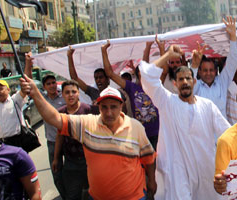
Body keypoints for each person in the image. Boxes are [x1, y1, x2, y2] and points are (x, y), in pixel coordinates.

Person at [20, 76, 157, 200]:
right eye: (104, 107)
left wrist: (151, 180)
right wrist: (35, 94)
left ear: (121, 106)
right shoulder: (88, 124)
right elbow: (54, 118)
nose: (109, 112)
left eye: (113, 107)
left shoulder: (136, 127)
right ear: (98, 106)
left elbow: (148, 158)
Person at [139, 31, 232, 199]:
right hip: (178, 171)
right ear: (174, 84)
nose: (185, 82)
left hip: (206, 169)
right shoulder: (167, 102)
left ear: (194, 81)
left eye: (188, 79)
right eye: (180, 80)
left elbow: (228, 135)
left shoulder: (207, 106)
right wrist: (168, 54)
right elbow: (147, 77)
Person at [101, 40, 160, 149]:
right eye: (142, 74)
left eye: (147, 74)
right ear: (138, 75)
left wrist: (148, 47)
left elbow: (148, 66)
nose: (145, 77)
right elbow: (109, 73)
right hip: (139, 135)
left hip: (158, 135)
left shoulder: (156, 87)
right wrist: (104, 51)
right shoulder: (131, 88)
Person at [24, 54, 67, 198]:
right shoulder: (41, 99)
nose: (52, 85)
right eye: (48, 84)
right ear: (44, 87)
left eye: (54, 82)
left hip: (68, 139)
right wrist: (28, 64)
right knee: (57, 172)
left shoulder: (66, 96)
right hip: (52, 142)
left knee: (73, 170)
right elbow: (27, 83)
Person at [191, 16, 237, 118]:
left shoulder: (222, 82)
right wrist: (194, 66)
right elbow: (189, 81)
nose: (208, 73)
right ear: (199, 72)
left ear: (216, 71)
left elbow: (233, 61)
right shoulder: (196, 86)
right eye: (205, 70)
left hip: (222, 132)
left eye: (211, 70)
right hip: (203, 132)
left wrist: (233, 37)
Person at [52, 80, 92, 200]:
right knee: (72, 195)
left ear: (78, 93)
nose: (71, 95)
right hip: (70, 162)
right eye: (67, 92)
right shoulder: (60, 113)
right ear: (62, 94)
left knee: (93, 193)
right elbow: (59, 136)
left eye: (74, 92)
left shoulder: (88, 110)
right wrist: (55, 158)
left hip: (89, 161)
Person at [0, 79, 28, 144]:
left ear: (8, 90)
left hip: (17, 140)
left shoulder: (15, 100)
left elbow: (23, 91)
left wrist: (24, 84)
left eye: (0, 89)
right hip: (1, 143)